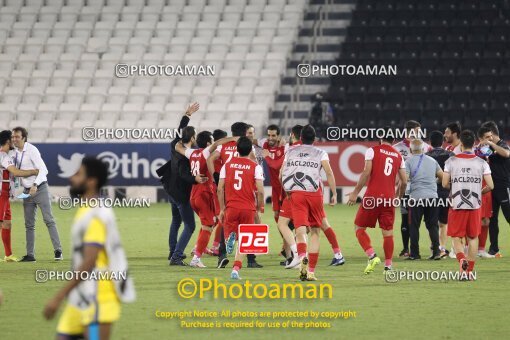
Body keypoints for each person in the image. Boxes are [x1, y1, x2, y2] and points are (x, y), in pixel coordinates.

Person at [43, 157, 136, 339]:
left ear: (91, 181)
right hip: (81, 297)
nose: (72, 178)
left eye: (78, 174)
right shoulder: (87, 207)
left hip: (98, 297)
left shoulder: (96, 214)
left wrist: (58, 297)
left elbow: (89, 261)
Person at [281, 125, 337, 281]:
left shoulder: (290, 152)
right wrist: (334, 193)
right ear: (315, 139)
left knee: (300, 231)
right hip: (314, 194)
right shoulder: (321, 153)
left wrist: (287, 191)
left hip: (296, 194)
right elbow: (329, 172)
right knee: (315, 232)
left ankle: (302, 256)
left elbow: (282, 173)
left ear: (300, 138)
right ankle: (311, 271)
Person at [347, 129, 407, 273]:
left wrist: (355, 192)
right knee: (388, 233)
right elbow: (404, 181)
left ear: (381, 138)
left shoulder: (372, 150)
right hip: (388, 199)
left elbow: (366, 172)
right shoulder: (399, 156)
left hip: (372, 197)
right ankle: (388, 266)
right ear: (393, 141)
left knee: (359, 228)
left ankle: (372, 255)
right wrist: (398, 197)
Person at [174, 131, 237, 268]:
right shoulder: (205, 152)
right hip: (204, 193)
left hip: (194, 194)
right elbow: (219, 142)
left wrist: (182, 139)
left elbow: (177, 147)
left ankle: (197, 249)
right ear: (209, 143)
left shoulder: (192, 153)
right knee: (208, 226)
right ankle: (196, 258)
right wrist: (235, 138)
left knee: (208, 224)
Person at [207, 122, 263, 268]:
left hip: (227, 186)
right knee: (251, 223)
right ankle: (250, 259)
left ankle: (222, 255)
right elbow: (255, 163)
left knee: (225, 220)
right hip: (245, 187)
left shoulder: (223, 145)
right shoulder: (246, 146)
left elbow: (209, 157)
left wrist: (215, 176)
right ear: (244, 132)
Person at [442, 130, 493, 278]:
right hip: (475, 205)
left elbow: (445, 183)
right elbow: (491, 185)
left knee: (456, 237)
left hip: (457, 204)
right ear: (474, 144)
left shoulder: (451, 161)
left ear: (462, 144)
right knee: (473, 238)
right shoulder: (482, 162)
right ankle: (469, 272)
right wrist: (480, 191)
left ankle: (461, 260)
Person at [163, 103, 207, 266]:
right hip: (181, 193)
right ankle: (177, 256)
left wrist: (186, 115)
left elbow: (179, 130)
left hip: (171, 190)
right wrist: (194, 179)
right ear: (193, 138)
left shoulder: (175, 144)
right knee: (190, 225)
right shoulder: (189, 155)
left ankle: (173, 251)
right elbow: (183, 174)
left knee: (176, 221)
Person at [11, 126, 63, 262]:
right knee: (29, 224)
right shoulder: (15, 152)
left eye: (16, 137)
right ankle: (30, 255)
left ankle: (58, 251)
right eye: (13, 137)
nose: (14, 139)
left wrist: (34, 185)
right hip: (27, 191)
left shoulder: (32, 150)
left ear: (23, 138)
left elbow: (43, 170)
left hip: (40, 188)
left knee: (49, 220)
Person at [216, 137, 265, 280]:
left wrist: (222, 208)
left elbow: (220, 189)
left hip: (231, 206)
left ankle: (228, 238)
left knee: (230, 233)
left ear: (236, 149)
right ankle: (236, 269)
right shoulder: (255, 167)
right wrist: (258, 206)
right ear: (250, 150)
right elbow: (261, 191)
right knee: (244, 241)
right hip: (248, 208)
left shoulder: (227, 165)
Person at [392, 120, 431, 258]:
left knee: (425, 220)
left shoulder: (426, 147)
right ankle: (405, 249)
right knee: (405, 219)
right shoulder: (396, 148)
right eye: (417, 130)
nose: (419, 133)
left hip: (422, 190)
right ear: (409, 131)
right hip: (405, 190)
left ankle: (434, 249)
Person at [0, 130, 40, 262]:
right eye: (12, 139)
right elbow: (16, 172)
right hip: (1, 194)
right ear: (7, 142)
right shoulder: (3, 156)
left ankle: (8, 255)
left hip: (6, 194)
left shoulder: (6, 155)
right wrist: (34, 171)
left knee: (7, 224)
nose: (14, 141)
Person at [405, 139, 444, 260]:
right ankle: (436, 252)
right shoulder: (433, 161)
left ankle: (415, 254)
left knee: (414, 226)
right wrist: (433, 182)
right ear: (423, 149)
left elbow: (405, 179)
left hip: (416, 198)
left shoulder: (408, 161)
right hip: (432, 197)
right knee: (433, 225)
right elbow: (442, 178)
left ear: (411, 150)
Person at [480, 121, 510, 257]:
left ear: (492, 134)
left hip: (505, 187)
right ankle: (494, 248)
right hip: (493, 188)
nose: (488, 139)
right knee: (493, 219)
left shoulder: (502, 144)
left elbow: (506, 154)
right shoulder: (488, 148)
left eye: (488, 136)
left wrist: (492, 144)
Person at [426, 131, 454, 258]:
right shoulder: (451, 155)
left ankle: (434, 248)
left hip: (430, 193)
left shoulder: (426, 156)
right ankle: (442, 248)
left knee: (432, 223)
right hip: (445, 193)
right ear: (442, 141)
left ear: (430, 143)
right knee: (443, 223)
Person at [476, 126, 496, 258]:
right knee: (476, 220)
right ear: (481, 139)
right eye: (488, 137)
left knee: (485, 220)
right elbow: (501, 154)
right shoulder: (480, 150)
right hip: (479, 188)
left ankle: (481, 250)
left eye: (491, 136)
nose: (491, 139)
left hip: (487, 189)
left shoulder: (486, 150)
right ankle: (469, 247)